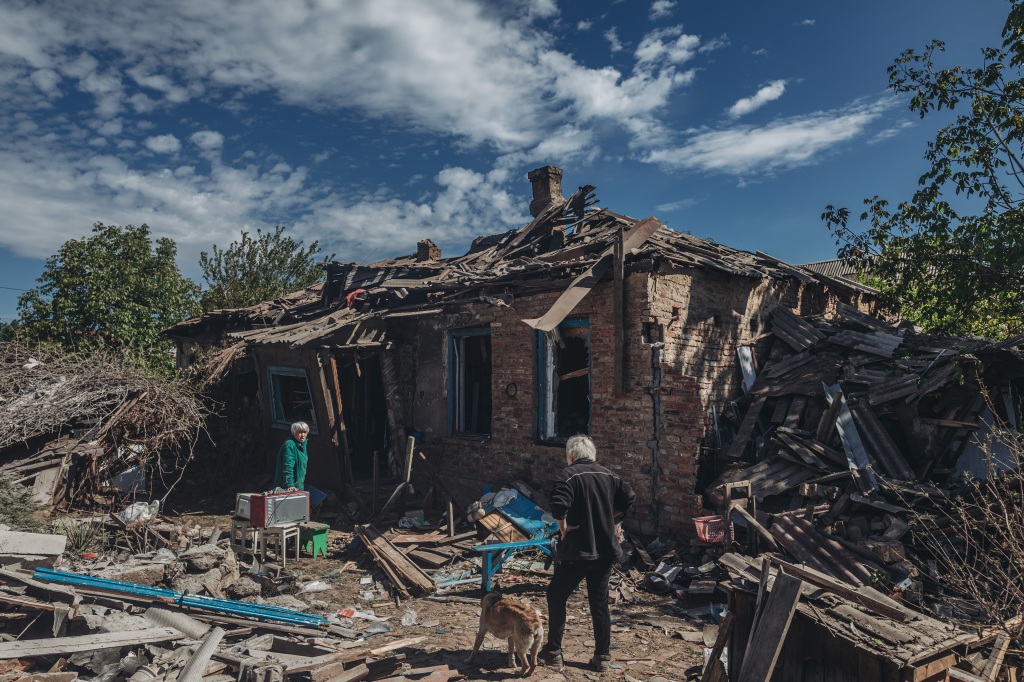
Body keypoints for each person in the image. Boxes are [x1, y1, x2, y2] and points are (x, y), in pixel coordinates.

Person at [539, 434, 635, 673]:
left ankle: (553, 652)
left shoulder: (568, 475)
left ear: (571, 455)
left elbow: (558, 505)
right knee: (599, 603)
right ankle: (602, 656)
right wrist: (611, 519)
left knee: (556, 595)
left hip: (578, 550)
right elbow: (629, 498)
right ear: (593, 455)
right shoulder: (610, 475)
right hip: (605, 550)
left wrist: (563, 529)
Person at [273, 421, 309, 491]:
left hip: (299, 485)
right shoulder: (290, 445)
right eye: (300, 432)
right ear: (294, 433)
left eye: (305, 432)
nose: (303, 435)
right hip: (288, 488)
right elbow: (288, 466)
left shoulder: (302, 444)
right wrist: (290, 484)